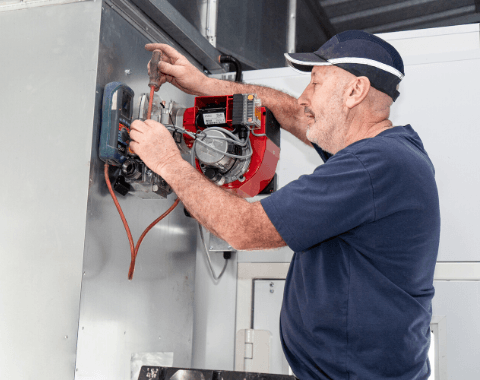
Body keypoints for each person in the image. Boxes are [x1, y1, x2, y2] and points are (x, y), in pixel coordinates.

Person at [129, 30, 440, 380]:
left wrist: (168, 162)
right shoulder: (385, 152)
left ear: (355, 91)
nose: (304, 96)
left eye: (316, 83)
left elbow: (244, 230)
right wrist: (205, 85)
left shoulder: (373, 166)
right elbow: (294, 113)